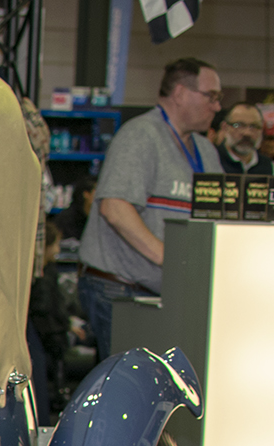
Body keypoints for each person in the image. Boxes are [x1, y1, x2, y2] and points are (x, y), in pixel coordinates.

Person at [77, 57, 222, 360]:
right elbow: (115, 208)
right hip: (121, 291)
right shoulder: (140, 135)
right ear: (181, 93)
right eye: (211, 96)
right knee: (130, 390)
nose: (217, 107)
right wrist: (172, 260)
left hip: (166, 294)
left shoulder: (206, 151)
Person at [214, 101, 272, 175]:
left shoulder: (269, 166)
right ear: (225, 128)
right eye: (238, 125)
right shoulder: (211, 160)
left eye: (254, 126)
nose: (247, 133)